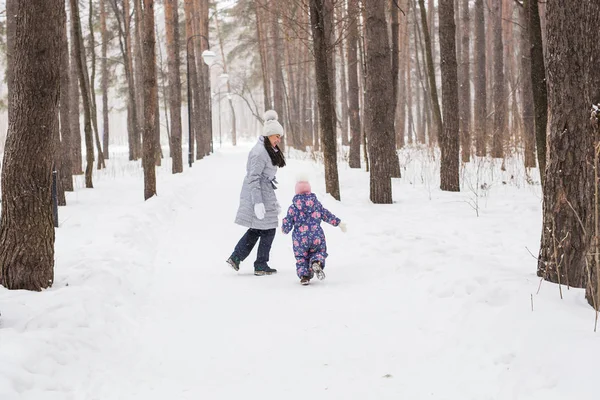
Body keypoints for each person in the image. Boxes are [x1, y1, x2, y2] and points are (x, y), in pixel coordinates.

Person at [226, 110, 286, 276]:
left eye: (279, 137)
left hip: (264, 191)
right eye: (276, 136)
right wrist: (258, 202)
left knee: (258, 229)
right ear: (268, 135)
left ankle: (237, 258)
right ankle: (260, 264)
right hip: (256, 193)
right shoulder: (259, 152)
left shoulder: (267, 149)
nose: (278, 140)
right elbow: (253, 178)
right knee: (267, 228)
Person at [281, 175, 347, 285]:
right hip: (316, 236)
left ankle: (304, 276)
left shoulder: (293, 208)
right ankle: (316, 262)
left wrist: (284, 229)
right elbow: (327, 215)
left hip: (299, 239)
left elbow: (288, 222)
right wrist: (338, 223)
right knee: (318, 252)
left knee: (301, 257)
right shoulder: (316, 205)